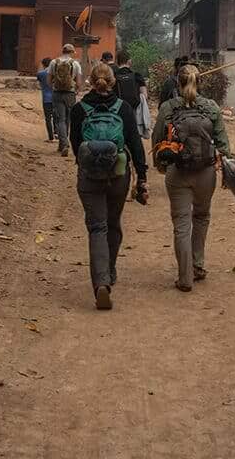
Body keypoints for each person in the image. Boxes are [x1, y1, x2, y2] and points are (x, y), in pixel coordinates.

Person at [70, 63, 149, 310]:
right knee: (113, 224)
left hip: (89, 176)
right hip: (118, 174)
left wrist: (87, 163)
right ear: (113, 82)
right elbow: (135, 144)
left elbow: (75, 144)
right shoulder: (123, 108)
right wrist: (142, 176)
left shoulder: (79, 109)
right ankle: (110, 269)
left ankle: (101, 283)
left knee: (97, 227)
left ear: (90, 82)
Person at [151, 63, 230, 292]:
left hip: (177, 172)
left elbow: (157, 139)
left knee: (181, 223)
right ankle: (198, 265)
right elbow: (223, 145)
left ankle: (184, 277)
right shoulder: (211, 107)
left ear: (178, 82)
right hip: (206, 173)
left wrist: (160, 166)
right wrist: (223, 165)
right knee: (202, 216)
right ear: (200, 82)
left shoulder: (168, 107)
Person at [49, 44, 83, 156]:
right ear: (72, 52)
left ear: (62, 51)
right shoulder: (75, 64)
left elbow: (49, 80)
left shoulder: (54, 62)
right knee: (68, 119)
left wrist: (54, 87)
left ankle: (63, 144)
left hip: (57, 93)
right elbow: (79, 82)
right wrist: (77, 90)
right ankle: (64, 143)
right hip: (70, 94)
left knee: (60, 119)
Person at [35, 57, 56, 141]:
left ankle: (51, 137)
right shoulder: (56, 73)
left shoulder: (41, 74)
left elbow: (38, 83)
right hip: (56, 97)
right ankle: (57, 133)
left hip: (46, 98)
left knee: (48, 118)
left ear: (43, 64)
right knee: (56, 117)